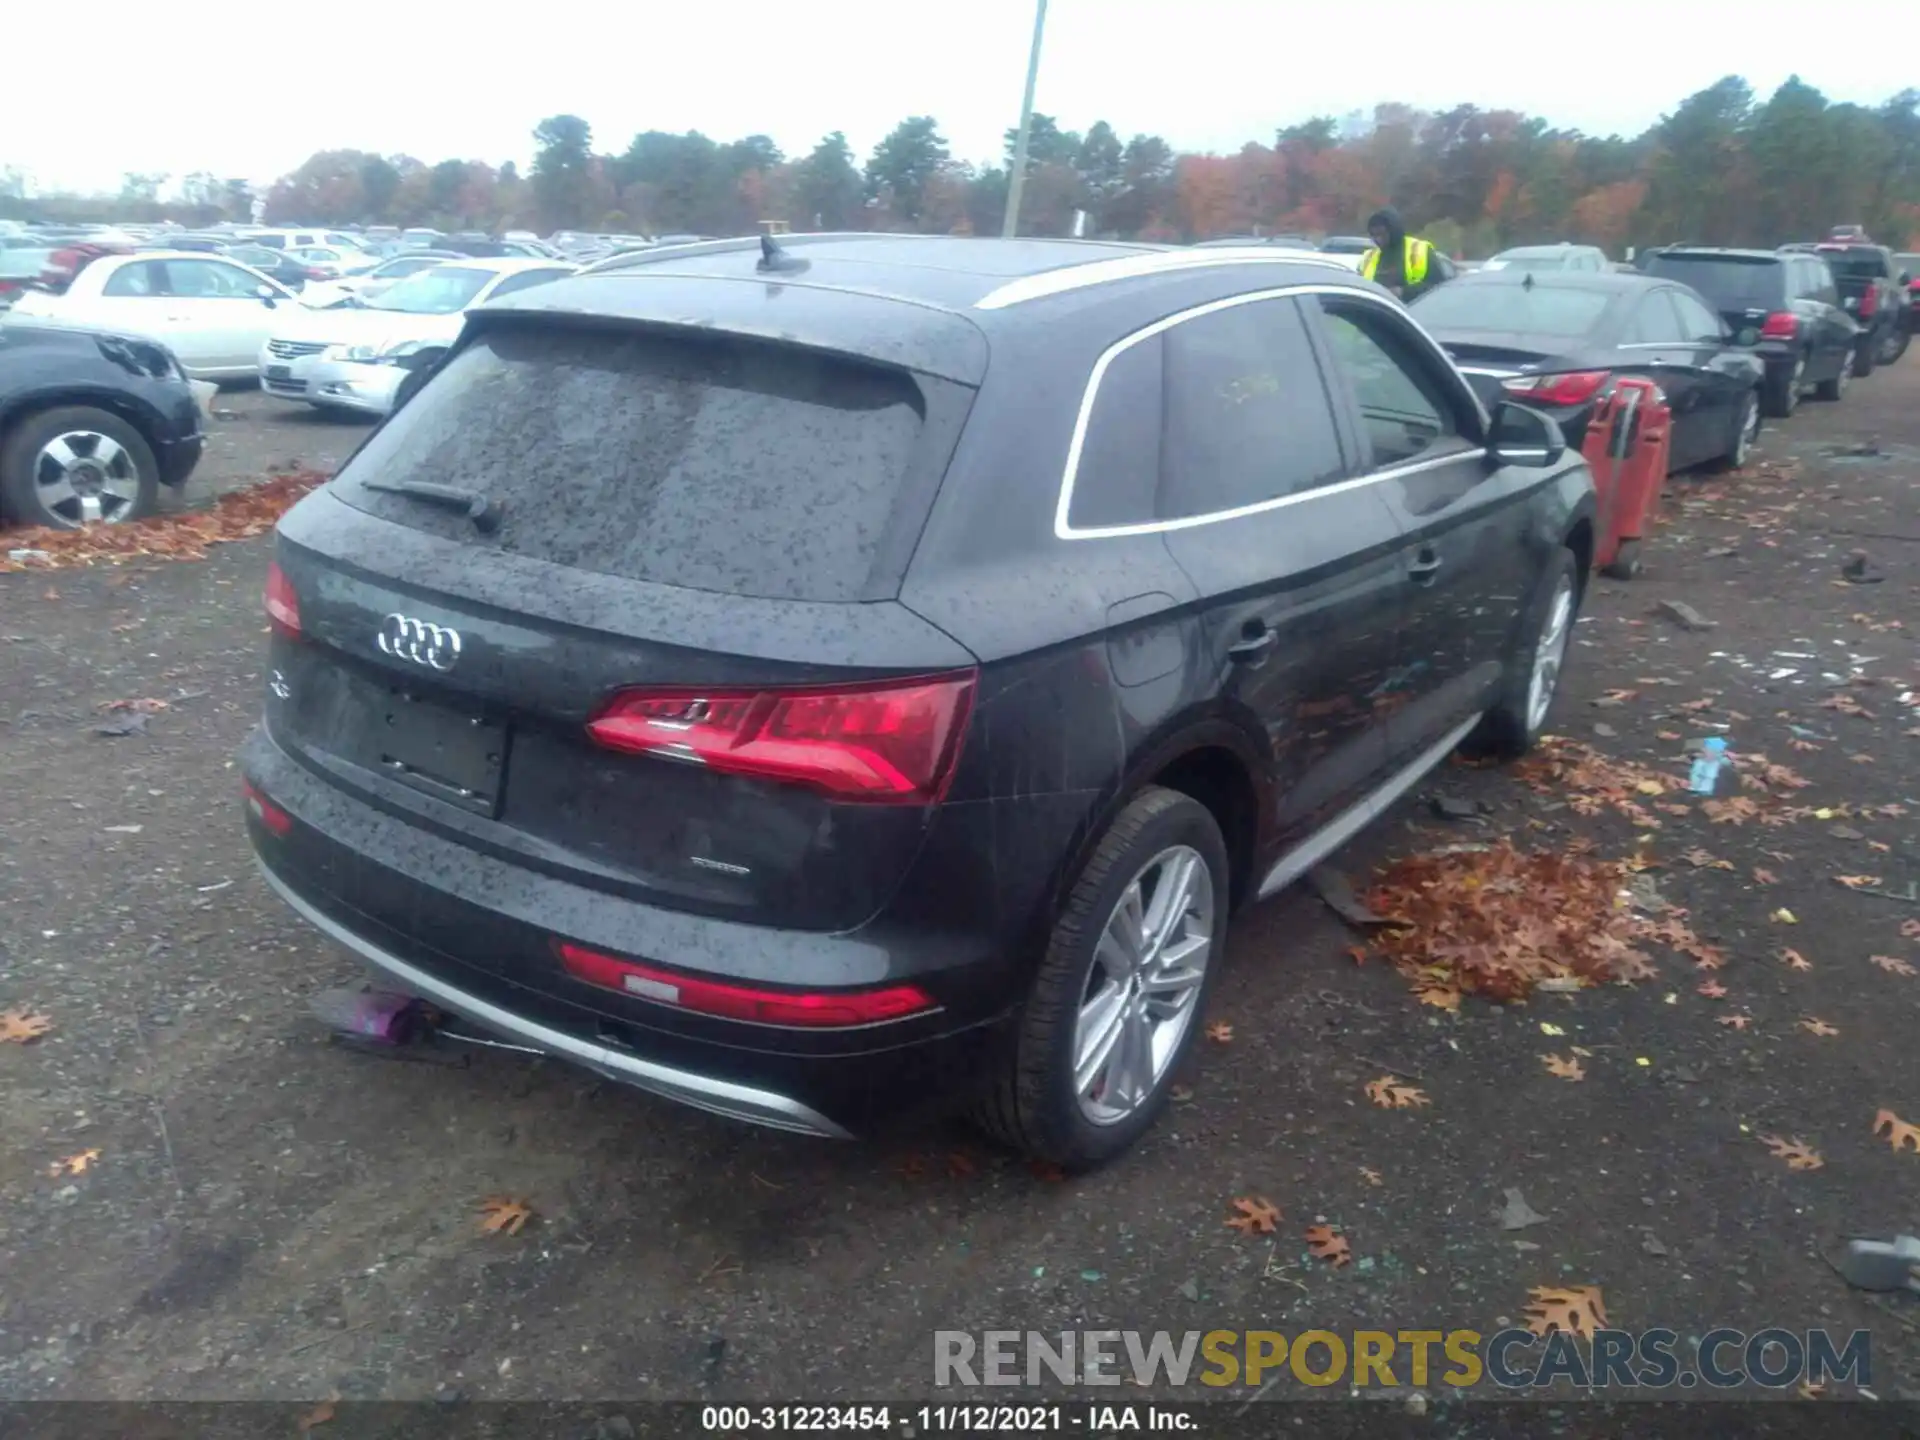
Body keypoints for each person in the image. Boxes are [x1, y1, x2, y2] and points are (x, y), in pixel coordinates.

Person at [1359, 208, 1445, 301]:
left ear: (1394, 230)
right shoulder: (1369, 257)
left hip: (1416, 311)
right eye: (1373, 235)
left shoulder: (1419, 250)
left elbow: (1439, 288)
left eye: (1382, 234)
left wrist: (1403, 292)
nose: (1377, 239)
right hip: (1381, 311)